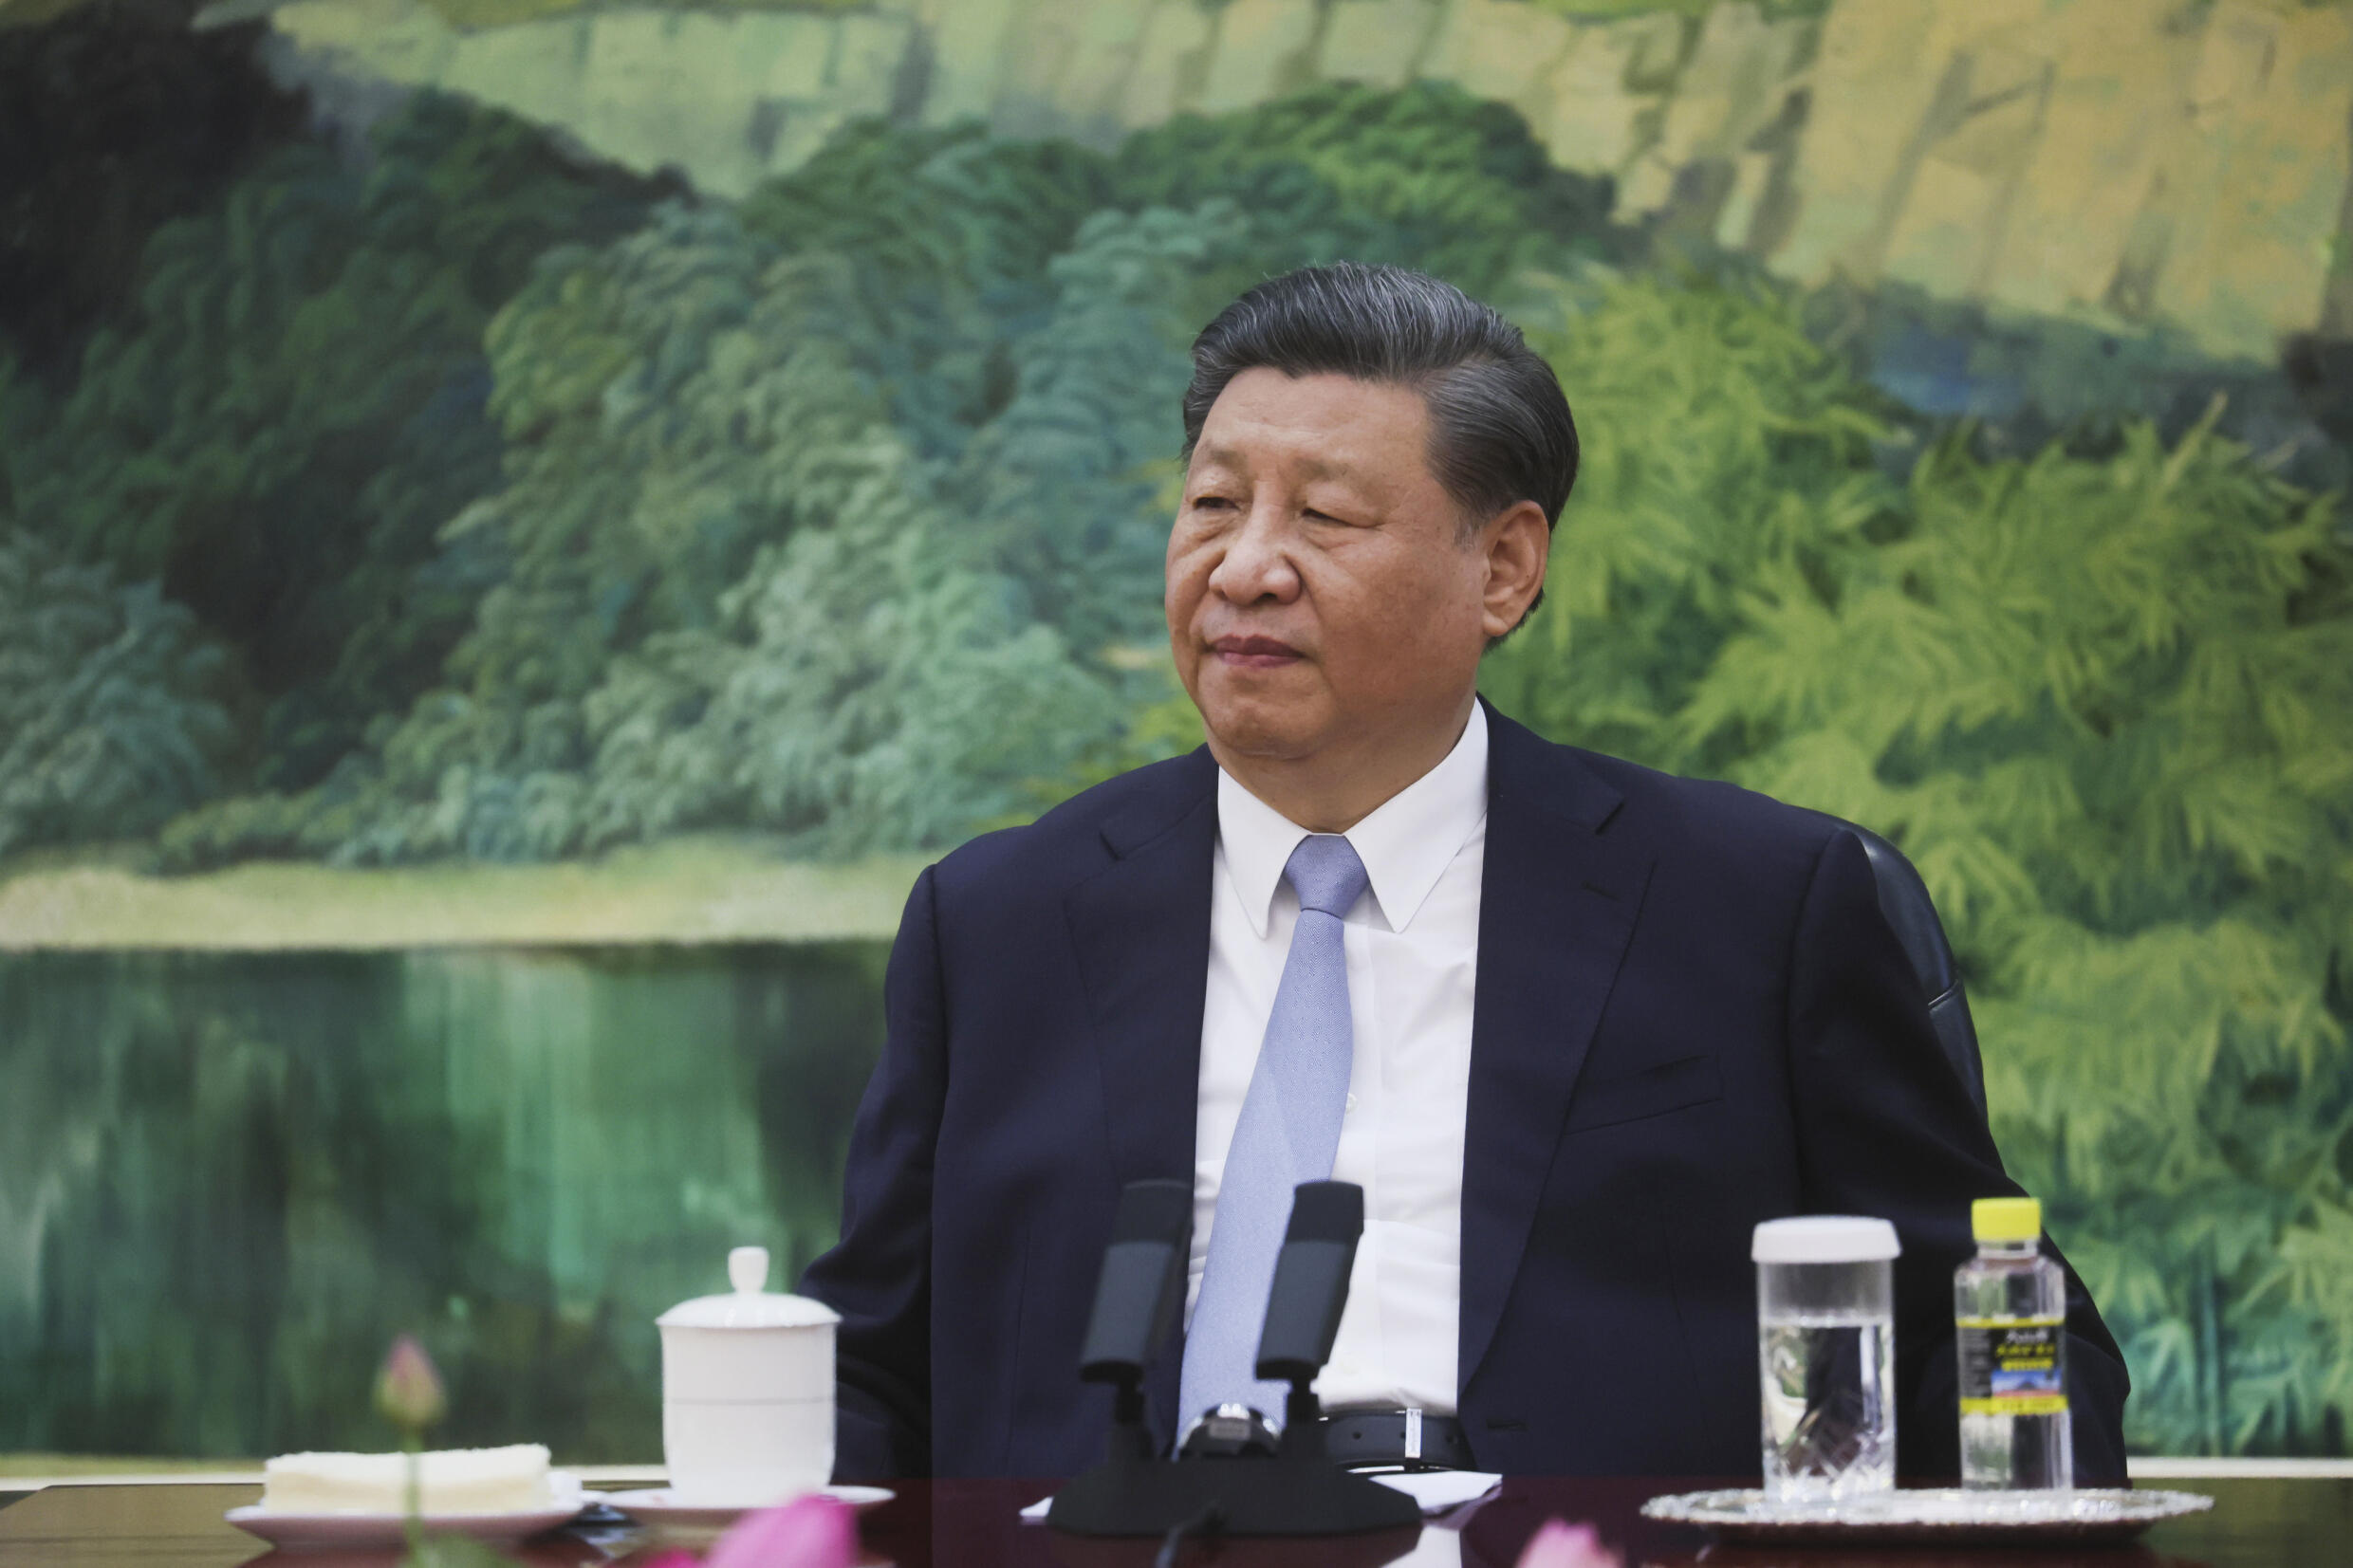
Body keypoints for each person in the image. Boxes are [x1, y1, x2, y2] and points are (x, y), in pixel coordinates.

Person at [799, 263, 2129, 1482]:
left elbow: (2004, 1340)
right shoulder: (999, 923)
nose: (1245, 567)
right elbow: (872, 1372)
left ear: (1502, 568)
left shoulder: (1753, 906)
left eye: (1323, 515)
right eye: (1214, 505)